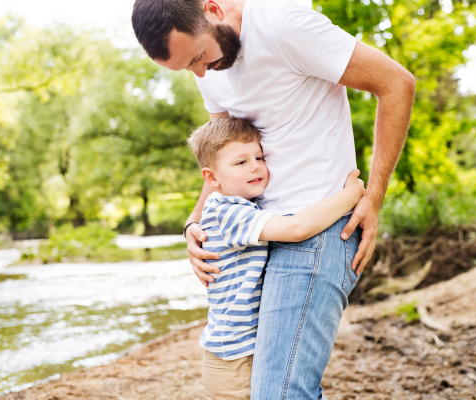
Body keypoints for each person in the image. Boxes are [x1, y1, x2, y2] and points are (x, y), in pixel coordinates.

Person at [132, 0, 415, 398]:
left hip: (319, 230)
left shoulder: (284, 26)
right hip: (260, 237)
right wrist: (195, 222)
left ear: (212, 10)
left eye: (198, 57)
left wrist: (374, 194)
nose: (199, 73)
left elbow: (396, 83)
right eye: (187, 68)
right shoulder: (206, 65)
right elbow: (222, 154)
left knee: (282, 393)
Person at [187, 116, 364, 399]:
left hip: (238, 352)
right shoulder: (228, 212)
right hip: (235, 360)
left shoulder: (244, 206)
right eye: (241, 162)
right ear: (212, 178)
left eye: (259, 156)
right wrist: (352, 194)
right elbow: (297, 228)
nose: (255, 166)